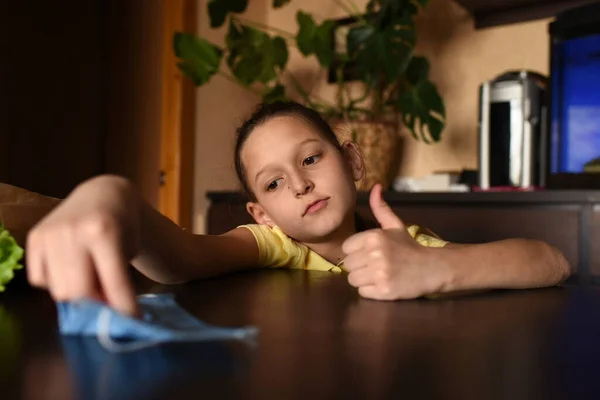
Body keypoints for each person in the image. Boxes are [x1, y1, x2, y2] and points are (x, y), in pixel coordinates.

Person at [25, 101, 572, 316]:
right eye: (275, 183)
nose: (303, 185)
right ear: (262, 214)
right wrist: (109, 196)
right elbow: (181, 258)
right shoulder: (274, 245)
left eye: (311, 158)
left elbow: (551, 261)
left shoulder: (402, 248)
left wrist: (437, 266)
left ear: (353, 161)